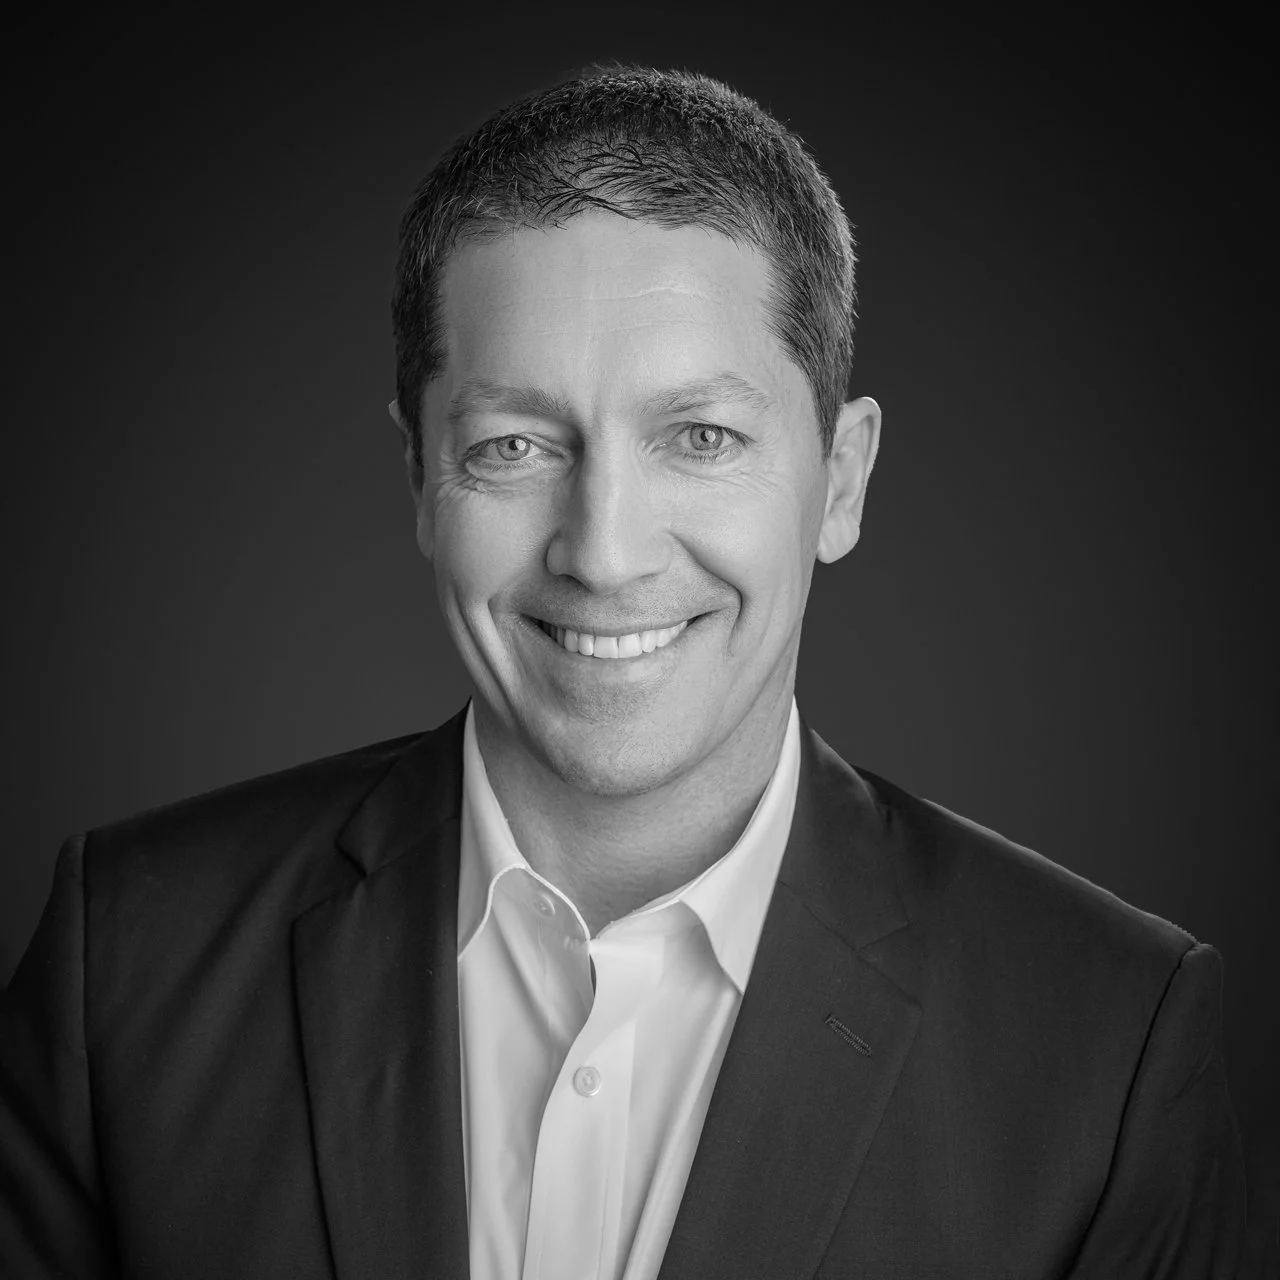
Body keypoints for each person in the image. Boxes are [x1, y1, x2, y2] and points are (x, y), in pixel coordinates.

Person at [0, 65, 1247, 1279]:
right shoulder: (128, 954)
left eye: (700, 437)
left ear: (843, 479)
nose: (601, 551)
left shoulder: (1111, 1038)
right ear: (418, 483)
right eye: (513, 443)